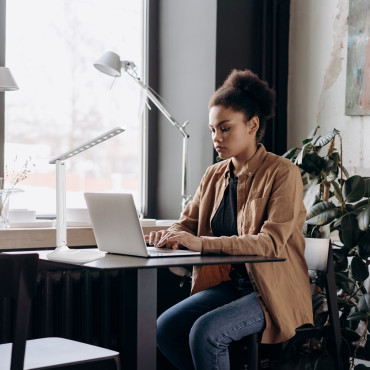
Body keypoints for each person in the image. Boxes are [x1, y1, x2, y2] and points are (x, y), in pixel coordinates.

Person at [146, 69, 313, 370]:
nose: (216, 138)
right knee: (165, 329)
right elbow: (185, 224)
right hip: (232, 285)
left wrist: (201, 242)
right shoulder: (214, 175)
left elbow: (271, 243)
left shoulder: (283, 172)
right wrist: (168, 235)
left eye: (225, 128)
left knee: (206, 333)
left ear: (252, 125)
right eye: (212, 130)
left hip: (272, 290)